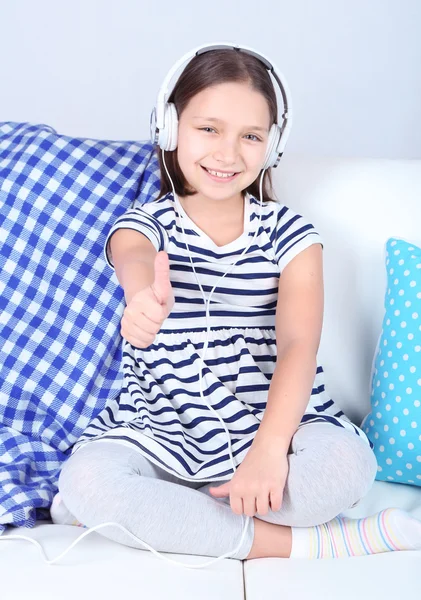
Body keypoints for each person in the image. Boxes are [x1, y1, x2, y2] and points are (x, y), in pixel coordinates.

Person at [51, 45, 421, 562]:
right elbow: (132, 255)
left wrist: (269, 453)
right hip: (165, 422)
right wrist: (141, 300)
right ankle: (314, 544)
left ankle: (176, 517)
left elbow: (297, 344)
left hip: (280, 422)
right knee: (87, 478)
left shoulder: (292, 233)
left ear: (272, 144)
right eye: (209, 129)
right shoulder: (147, 223)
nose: (228, 154)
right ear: (170, 128)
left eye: (250, 136)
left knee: (344, 468)